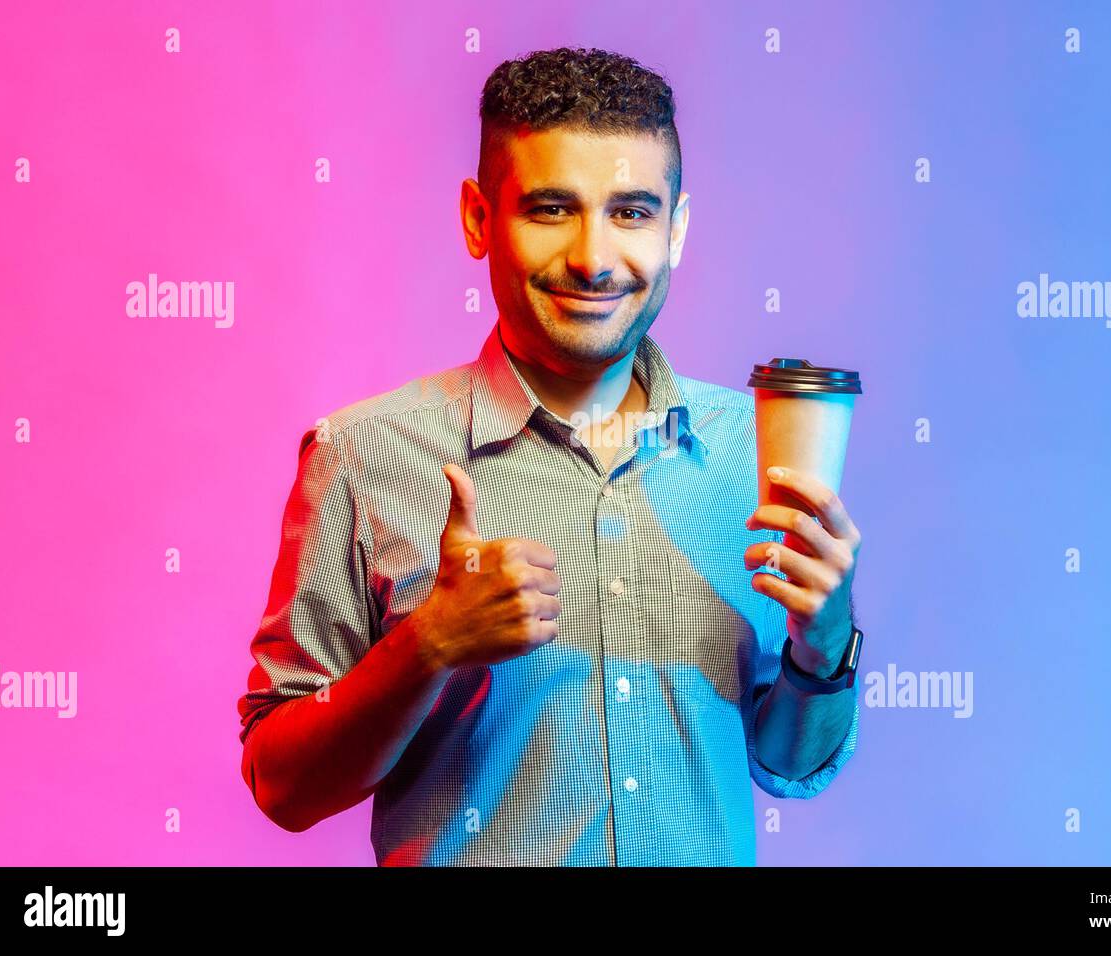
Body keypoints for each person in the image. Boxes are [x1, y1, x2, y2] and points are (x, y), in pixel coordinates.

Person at [237, 46, 864, 866]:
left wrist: (824, 648)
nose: (594, 259)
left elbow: (789, 763)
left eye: (632, 212)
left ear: (677, 227)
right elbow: (283, 788)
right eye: (550, 209)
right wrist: (427, 645)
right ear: (477, 219)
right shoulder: (360, 455)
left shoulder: (761, 452)